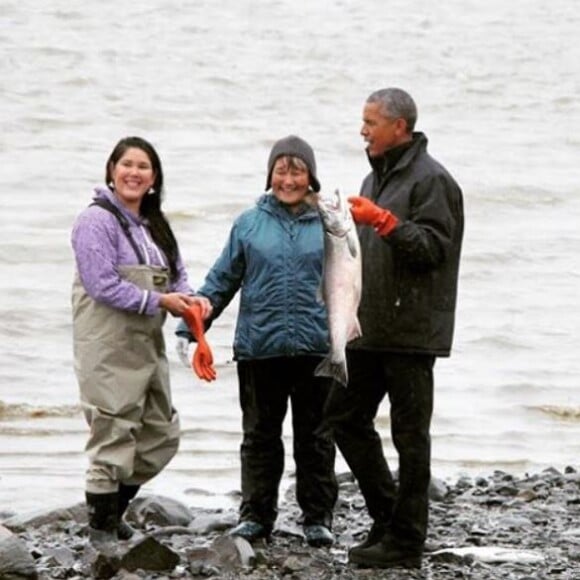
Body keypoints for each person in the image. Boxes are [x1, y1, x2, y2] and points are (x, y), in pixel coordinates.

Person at [323, 88, 464, 569]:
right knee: (342, 416)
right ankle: (388, 517)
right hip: (371, 330)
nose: (362, 129)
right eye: (363, 121)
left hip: (411, 333)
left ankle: (406, 542)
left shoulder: (433, 181)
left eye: (371, 122)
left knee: (410, 438)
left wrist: (382, 220)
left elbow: (432, 249)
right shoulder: (375, 175)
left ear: (399, 127)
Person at [176, 136, 337, 547]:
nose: (288, 179)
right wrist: (191, 327)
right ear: (270, 176)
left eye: (297, 170)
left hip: (317, 347)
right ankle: (256, 516)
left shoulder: (330, 223)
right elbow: (221, 280)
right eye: (280, 170)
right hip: (259, 349)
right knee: (260, 437)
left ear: (311, 177)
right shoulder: (249, 223)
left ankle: (317, 518)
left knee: (315, 438)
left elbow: (351, 283)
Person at [71, 136, 212, 549]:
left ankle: (112, 513)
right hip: (107, 345)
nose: (134, 173)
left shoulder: (154, 223)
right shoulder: (95, 220)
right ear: (112, 171)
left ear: (154, 178)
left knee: (160, 434)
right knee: (112, 433)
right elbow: (101, 285)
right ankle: (101, 532)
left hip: (147, 345)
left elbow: (177, 275)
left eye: (143, 167)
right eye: (126, 164)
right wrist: (158, 300)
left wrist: (191, 299)